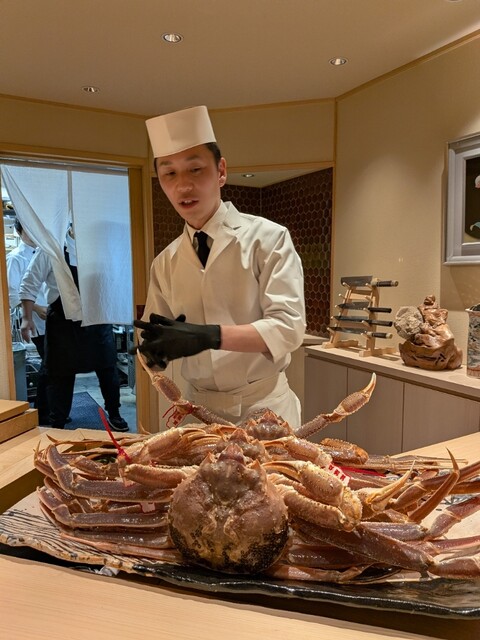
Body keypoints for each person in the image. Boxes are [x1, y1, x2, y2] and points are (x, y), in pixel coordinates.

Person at [135, 105, 306, 426]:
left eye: (195, 169)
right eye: (169, 173)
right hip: (197, 413)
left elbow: (289, 329)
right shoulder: (165, 262)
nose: (183, 186)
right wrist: (154, 355)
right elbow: (155, 340)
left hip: (265, 409)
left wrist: (210, 336)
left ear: (221, 171)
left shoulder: (268, 239)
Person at [20, 227, 129, 432]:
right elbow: (29, 283)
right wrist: (26, 319)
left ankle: (114, 413)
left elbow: (116, 280)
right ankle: (58, 423)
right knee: (60, 375)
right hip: (62, 324)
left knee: (108, 369)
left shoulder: (101, 248)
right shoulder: (51, 248)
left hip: (97, 320)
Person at [6, 218, 49, 421]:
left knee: (54, 365)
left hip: (51, 317)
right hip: (35, 319)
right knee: (48, 365)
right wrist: (37, 309)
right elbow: (12, 293)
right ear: (19, 231)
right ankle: (43, 412)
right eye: (28, 229)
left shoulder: (44, 252)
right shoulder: (15, 257)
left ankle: (49, 409)